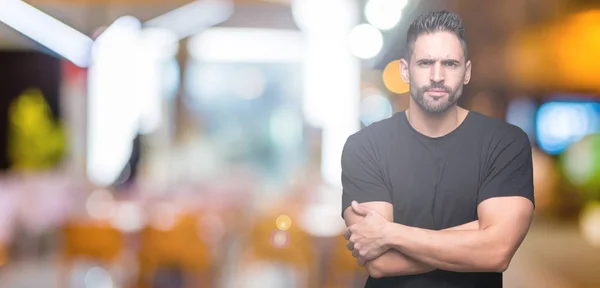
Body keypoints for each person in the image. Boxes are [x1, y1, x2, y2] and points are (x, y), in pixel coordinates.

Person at [341, 10, 534, 288]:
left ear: (466, 72)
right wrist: (478, 233)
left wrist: (390, 233)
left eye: (450, 63)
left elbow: (496, 252)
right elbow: (380, 262)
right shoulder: (365, 146)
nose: (437, 75)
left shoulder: (505, 143)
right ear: (406, 70)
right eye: (425, 62)